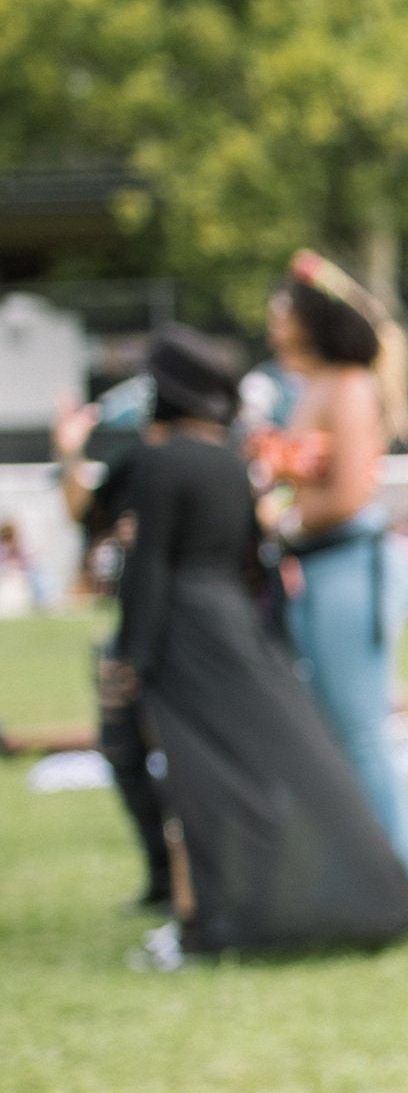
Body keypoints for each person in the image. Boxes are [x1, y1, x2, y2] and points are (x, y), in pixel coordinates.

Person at [114, 329, 408, 967]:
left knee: (189, 773)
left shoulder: (163, 464)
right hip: (232, 625)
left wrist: (131, 654)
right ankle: (228, 909)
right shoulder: (230, 462)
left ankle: (199, 917)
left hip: (182, 630)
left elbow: (149, 565)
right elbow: (254, 562)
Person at [262, 256, 408, 920]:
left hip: (349, 566)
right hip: (315, 569)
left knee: (363, 734)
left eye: (283, 308)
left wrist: (280, 519)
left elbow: (347, 495)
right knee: (332, 732)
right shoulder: (305, 387)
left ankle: (407, 892)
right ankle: (355, 881)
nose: (273, 320)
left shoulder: (350, 387)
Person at [53, 372, 174, 911]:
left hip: (180, 634)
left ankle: (188, 881)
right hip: (129, 628)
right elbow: (85, 513)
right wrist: (69, 452)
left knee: (176, 753)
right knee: (123, 748)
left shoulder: (203, 460)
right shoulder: (134, 464)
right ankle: (163, 876)